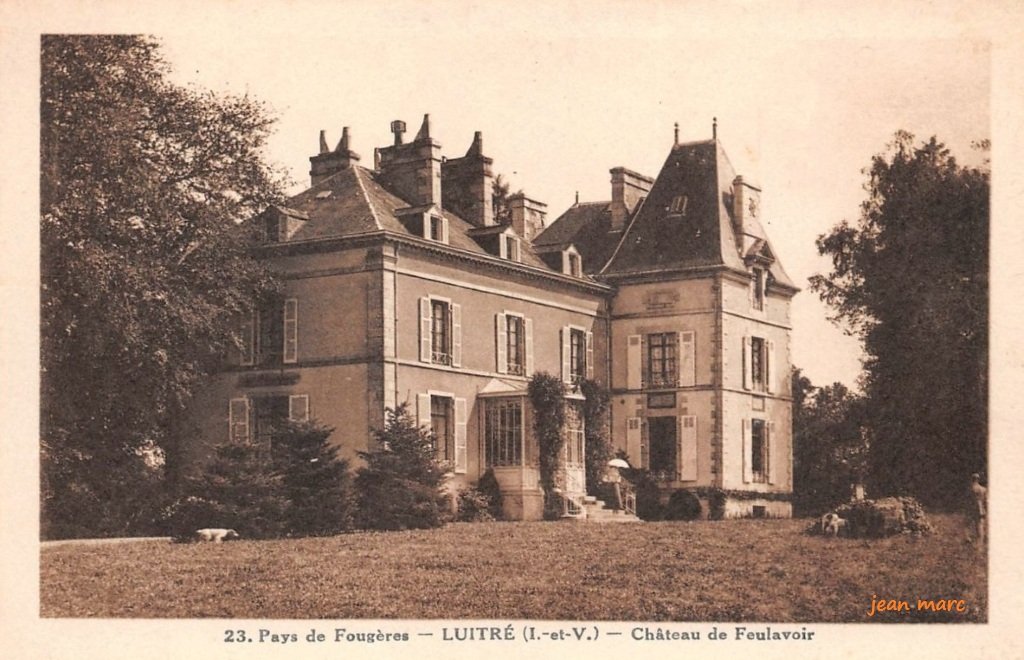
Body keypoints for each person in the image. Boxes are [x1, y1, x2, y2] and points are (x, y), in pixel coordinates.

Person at [969, 473, 987, 543]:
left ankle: (972, 540)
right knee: (979, 524)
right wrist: (985, 509)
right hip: (980, 509)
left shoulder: (970, 489)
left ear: (972, 479)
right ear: (978, 479)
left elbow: (968, 500)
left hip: (972, 508)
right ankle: (980, 540)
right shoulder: (983, 489)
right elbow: (985, 501)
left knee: (970, 524)